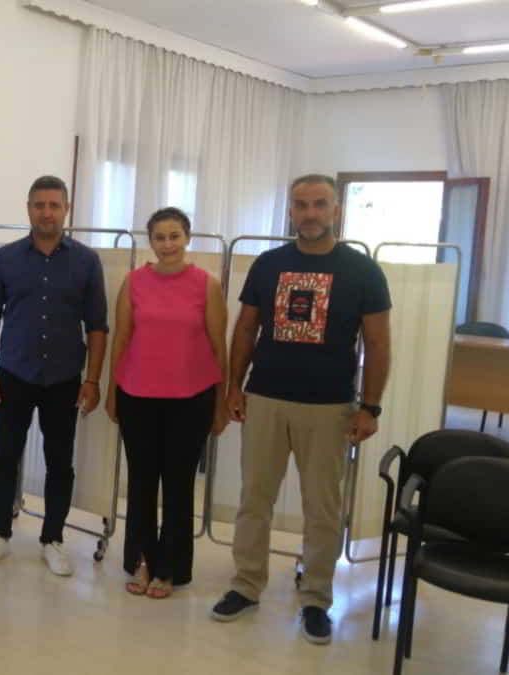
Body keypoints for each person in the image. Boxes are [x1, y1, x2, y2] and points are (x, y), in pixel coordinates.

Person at [210, 174, 392, 645]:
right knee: (255, 500)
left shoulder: (363, 271)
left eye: (319, 204)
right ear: (290, 211)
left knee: (323, 509)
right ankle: (246, 585)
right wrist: (234, 388)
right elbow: (246, 329)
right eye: (301, 205)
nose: (310, 213)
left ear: (336, 210)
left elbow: (377, 343)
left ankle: (315, 598)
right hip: (266, 398)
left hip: (329, 407)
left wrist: (370, 407)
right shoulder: (269, 265)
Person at [0, 175, 109, 576]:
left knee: (60, 463)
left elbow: (97, 326)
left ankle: (53, 539)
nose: (46, 212)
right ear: (28, 208)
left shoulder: (87, 261)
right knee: (4, 459)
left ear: (66, 209)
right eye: (39, 205)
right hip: (14, 374)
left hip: (65, 379)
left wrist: (92, 380)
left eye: (54, 205)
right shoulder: (5, 258)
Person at [105, 207, 228, 598]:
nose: (168, 244)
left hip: (191, 400)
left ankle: (170, 568)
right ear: (151, 241)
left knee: (178, 486)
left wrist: (221, 402)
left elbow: (218, 346)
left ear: (187, 238)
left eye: (175, 236)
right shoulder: (134, 282)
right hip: (137, 397)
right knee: (141, 483)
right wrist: (111, 390)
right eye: (160, 237)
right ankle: (142, 560)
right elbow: (121, 339)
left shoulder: (207, 285)